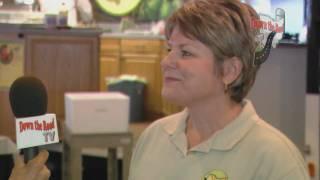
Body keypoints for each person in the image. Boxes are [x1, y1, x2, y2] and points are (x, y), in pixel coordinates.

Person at [128, 0, 310, 179]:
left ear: (230, 71)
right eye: (169, 49)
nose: (166, 62)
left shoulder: (276, 160)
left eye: (186, 52)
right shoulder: (153, 137)